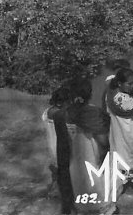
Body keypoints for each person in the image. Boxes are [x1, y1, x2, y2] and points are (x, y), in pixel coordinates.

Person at [67, 78, 115, 214]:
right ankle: (103, 209)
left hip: (74, 158)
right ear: (90, 94)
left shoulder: (66, 112)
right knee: (95, 182)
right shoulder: (94, 113)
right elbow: (103, 140)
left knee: (79, 181)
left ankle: (82, 207)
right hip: (91, 154)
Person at [105, 68, 133, 192]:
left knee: (120, 151)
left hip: (118, 130)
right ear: (119, 83)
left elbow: (109, 80)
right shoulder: (125, 101)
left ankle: (121, 178)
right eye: (129, 83)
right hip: (131, 130)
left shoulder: (110, 93)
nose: (132, 86)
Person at [43, 85, 75, 214]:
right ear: (65, 102)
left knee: (57, 172)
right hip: (62, 150)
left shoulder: (47, 113)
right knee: (67, 176)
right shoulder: (63, 116)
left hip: (52, 148)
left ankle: (55, 189)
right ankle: (68, 202)